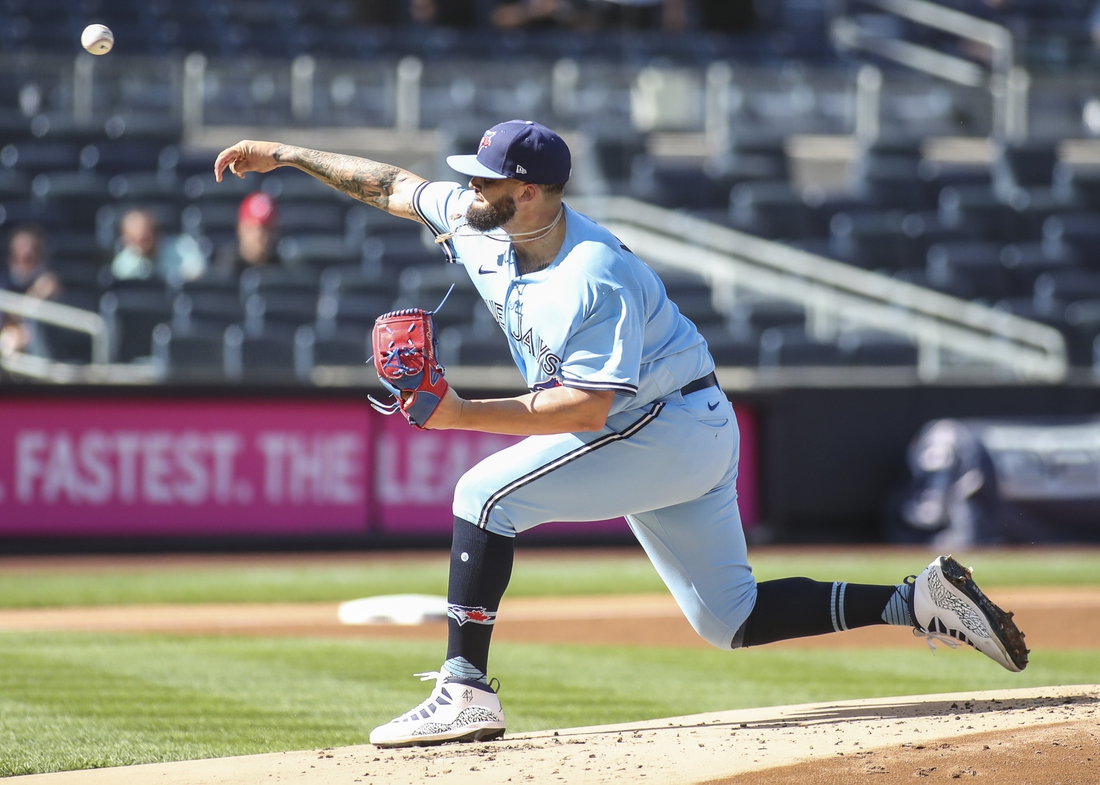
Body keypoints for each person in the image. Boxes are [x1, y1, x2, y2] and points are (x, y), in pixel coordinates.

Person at [214, 120, 1029, 749]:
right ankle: (913, 600)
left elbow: (585, 411)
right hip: (683, 424)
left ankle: (466, 686)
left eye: (489, 178)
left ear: (529, 192)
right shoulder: (478, 220)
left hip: (662, 427)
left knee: (482, 493)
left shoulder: (592, 274)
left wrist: (461, 413)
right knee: (729, 616)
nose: (472, 186)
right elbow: (392, 184)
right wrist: (285, 154)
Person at [1, 226, 61, 356]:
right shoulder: (5, 283)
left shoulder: (47, 280)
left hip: (46, 351)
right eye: (23, 257)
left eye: (31, 256)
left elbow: (50, 289)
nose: (27, 256)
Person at [111, 208, 206, 284]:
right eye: (139, 239)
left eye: (149, 234)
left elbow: (197, 272)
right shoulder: (123, 265)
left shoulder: (182, 248)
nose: (146, 243)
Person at [213, 191, 283, 276]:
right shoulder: (225, 267)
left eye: (269, 229)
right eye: (253, 228)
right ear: (240, 229)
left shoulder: (284, 268)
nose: (261, 235)